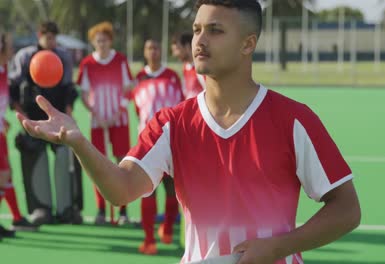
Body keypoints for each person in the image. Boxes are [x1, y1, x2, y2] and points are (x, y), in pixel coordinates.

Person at [17, 1, 361, 263]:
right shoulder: (171, 122)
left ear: (248, 44)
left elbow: (347, 209)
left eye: (215, 30)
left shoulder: (293, 119)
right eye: (197, 29)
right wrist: (78, 141)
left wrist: (278, 247)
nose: (199, 39)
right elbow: (122, 189)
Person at [9, 21, 82, 226]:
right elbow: (14, 87)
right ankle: (41, 208)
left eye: (54, 37)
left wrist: (68, 111)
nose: (51, 41)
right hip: (33, 116)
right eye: (48, 37)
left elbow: (69, 88)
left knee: (63, 158)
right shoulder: (25, 56)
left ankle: (67, 208)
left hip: (57, 116)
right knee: (35, 158)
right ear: (40, 35)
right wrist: (21, 114)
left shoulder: (63, 57)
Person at [76, 21, 133, 225]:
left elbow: (129, 89)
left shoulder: (120, 60)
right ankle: (101, 209)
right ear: (93, 42)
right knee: (98, 164)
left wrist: (118, 112)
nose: (101, 44)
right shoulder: (87, 64)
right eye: (97, 41)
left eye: (104, 40)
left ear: (110, 41)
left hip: (119, 121)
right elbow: (83, 94)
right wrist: (94, 113)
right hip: (97, 123)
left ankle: (124, 212)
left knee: (122, 163)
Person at [133, 39, 183, 254]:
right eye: (149, 48)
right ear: (144, 52)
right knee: (147, 191)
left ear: (160, 51)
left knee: (172, 190)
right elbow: (138, 108)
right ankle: (149, 240)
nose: (153, 51)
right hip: (147, 143)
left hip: (171, 141)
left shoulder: (172, 75)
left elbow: (179, 104)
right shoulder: (139, 77)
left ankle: (168, 230)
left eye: (156, 48)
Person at [1, 31, 35, 238]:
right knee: (3, 175)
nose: (12, 49)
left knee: (7, 175)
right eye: (9, 46)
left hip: (0, 132)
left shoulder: (4, 69)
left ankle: (16, 217)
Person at [171, 32, 205, 99]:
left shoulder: (201, 68)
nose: (175, 54)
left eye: (177, 49)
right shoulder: (185, 67)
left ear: (187, 46)